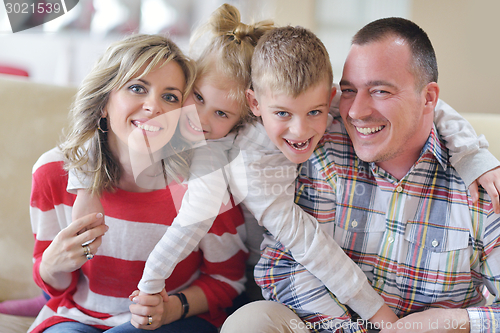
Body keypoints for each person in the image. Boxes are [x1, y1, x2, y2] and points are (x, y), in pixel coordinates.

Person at [221, 21, 500, 333]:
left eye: (380, 91)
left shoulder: (481, 187)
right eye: (349, 91)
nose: (356, 111)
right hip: (326, 326)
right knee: (251, 322)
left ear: (428, 99)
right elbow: (284, 267)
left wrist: (456, 321)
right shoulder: (319, 142)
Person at [28, 33, 247, 333]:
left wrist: (173, 308)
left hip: (177, 320)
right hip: (79, 316)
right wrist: (51, 265)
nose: (153, 106)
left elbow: (228, 279)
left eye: (170, 97)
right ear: (104, 101)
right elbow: (57, 286)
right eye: (137, 88)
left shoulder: (204, 182)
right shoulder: (52, 173)